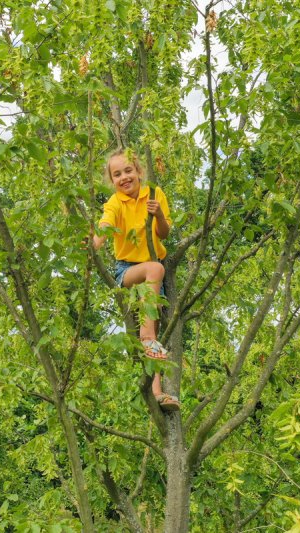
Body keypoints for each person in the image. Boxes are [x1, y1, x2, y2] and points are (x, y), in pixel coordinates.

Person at [92, 148, 180, 412]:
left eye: (128, 170)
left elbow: (163, 234)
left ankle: (157, 392)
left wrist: (159, 215)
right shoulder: (115, 202)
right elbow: (105, 225)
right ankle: (146, 335)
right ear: (112, 180)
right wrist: (93, 244)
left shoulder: (154, 194)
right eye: (117, 174)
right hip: (128, 271)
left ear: (139, 171)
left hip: (153, 277)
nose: (124, 177)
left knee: (157, 333)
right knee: (154, 270)